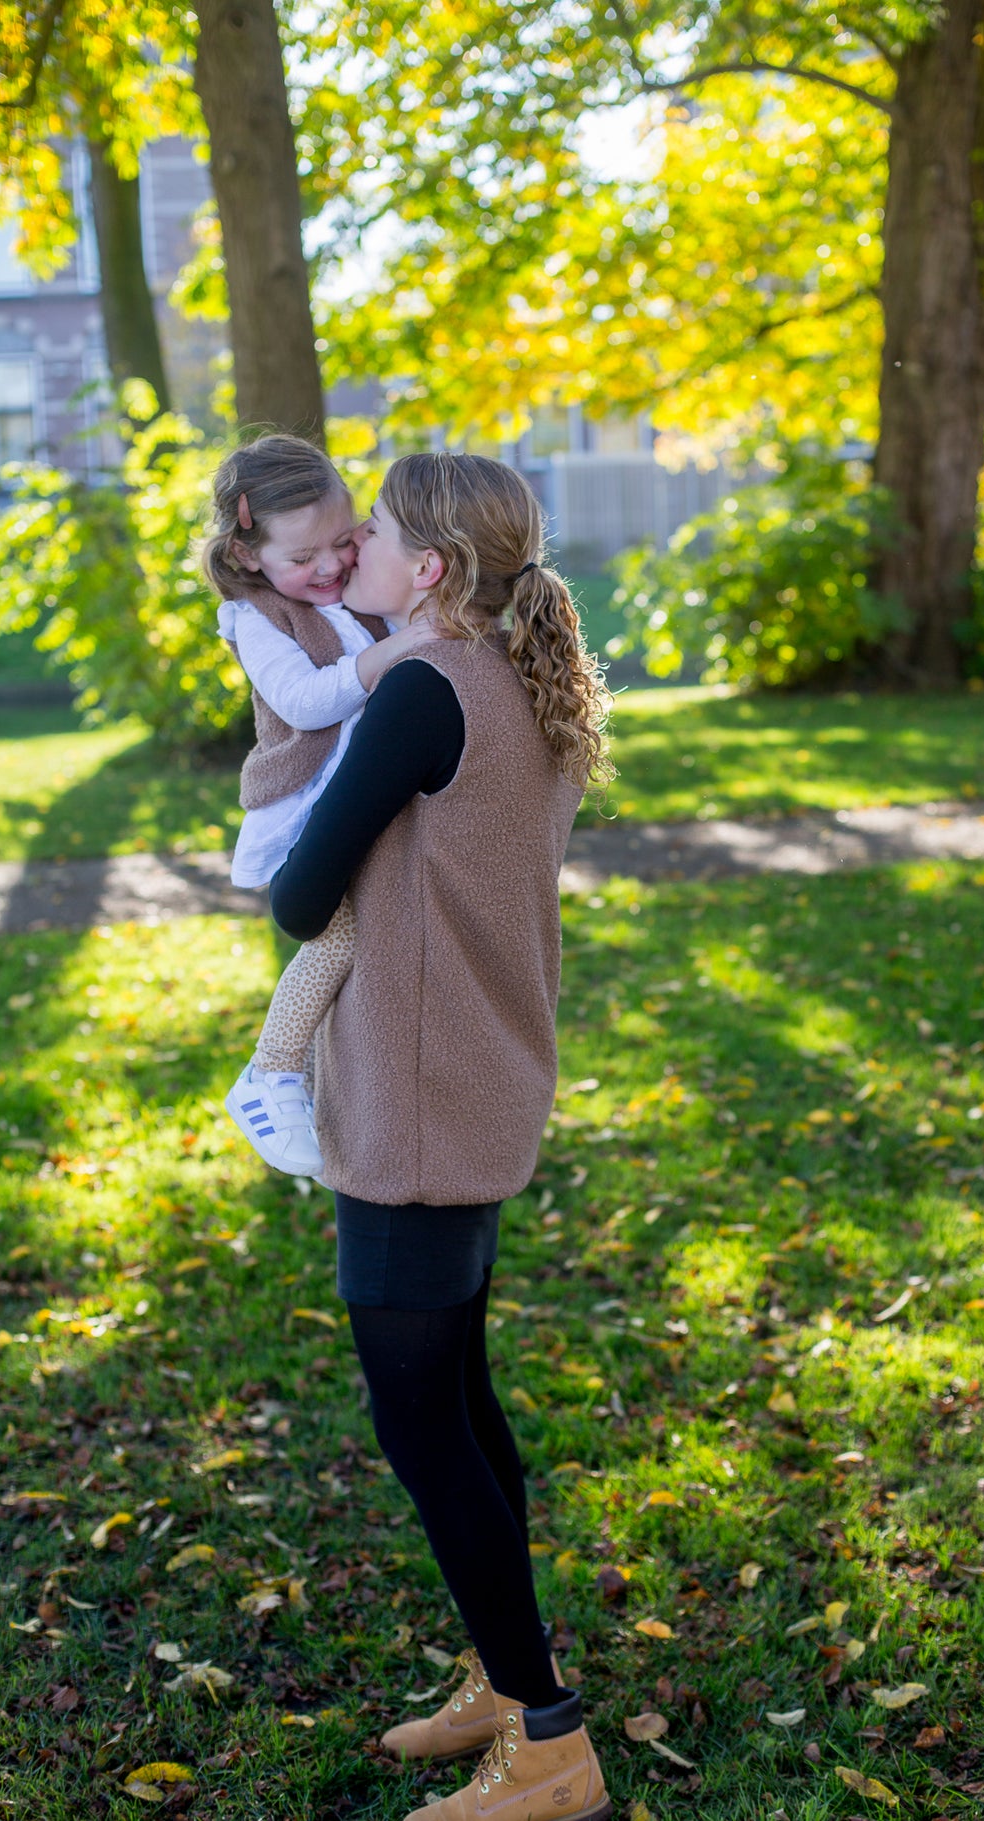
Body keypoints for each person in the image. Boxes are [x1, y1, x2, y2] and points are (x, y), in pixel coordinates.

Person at [268, 452, 614, 1821]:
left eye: (375, 535)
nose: (347, 545)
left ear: (429, 572)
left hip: (415, 1101)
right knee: (462, 1406)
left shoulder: (422, 689)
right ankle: (504, 1667)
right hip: (482, 1077)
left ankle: (549, 1744)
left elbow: (302, 896)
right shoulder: (521, 680)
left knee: (424, 1425)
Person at [202, 432, 429, 1176]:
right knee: (331, 941)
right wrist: (393, 651)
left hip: (364, 801)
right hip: (303, 812)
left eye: (342, 541)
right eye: (302, 559)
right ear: (247, 556)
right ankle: (269, 1076)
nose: (330, 565)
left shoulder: (356, 594)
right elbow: (303, 702)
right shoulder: (253, 618)